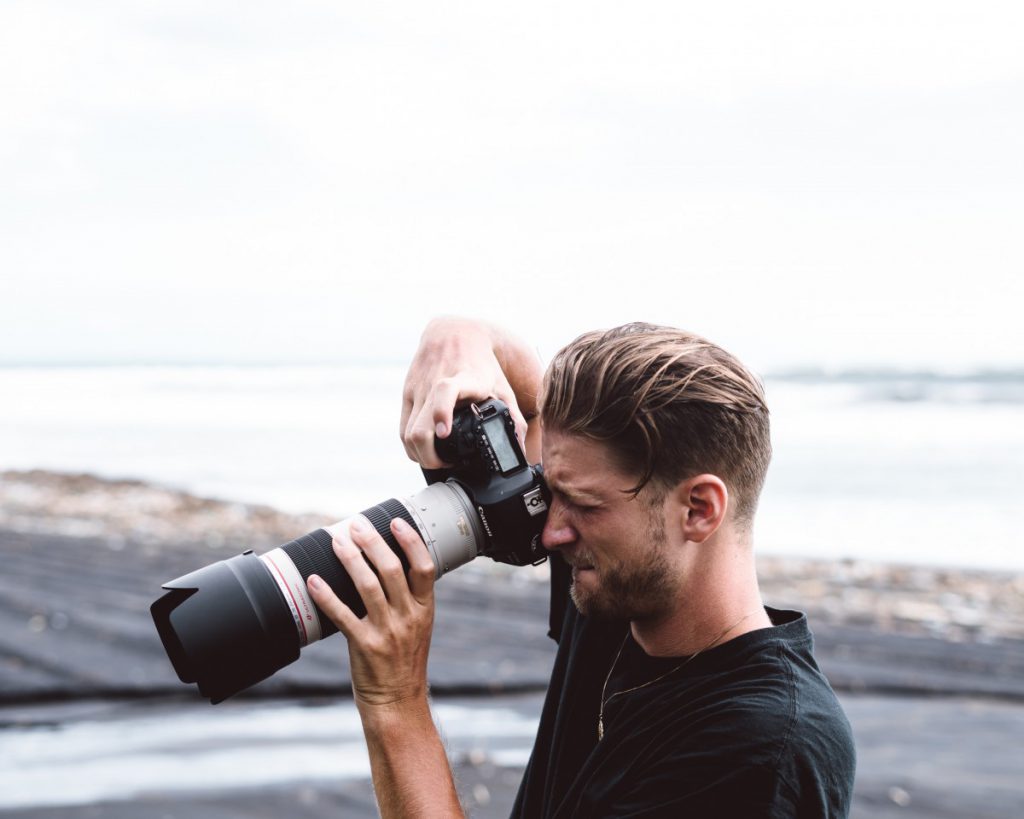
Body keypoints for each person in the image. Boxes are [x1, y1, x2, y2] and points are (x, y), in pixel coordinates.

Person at [306, 317, 856, 818]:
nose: (551, 533)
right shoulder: (625, 590)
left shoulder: (759, 752)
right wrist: (458, 338)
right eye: (550, 492)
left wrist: (396, 703)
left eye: (585, 506)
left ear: (698, 509)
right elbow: (527, 392)